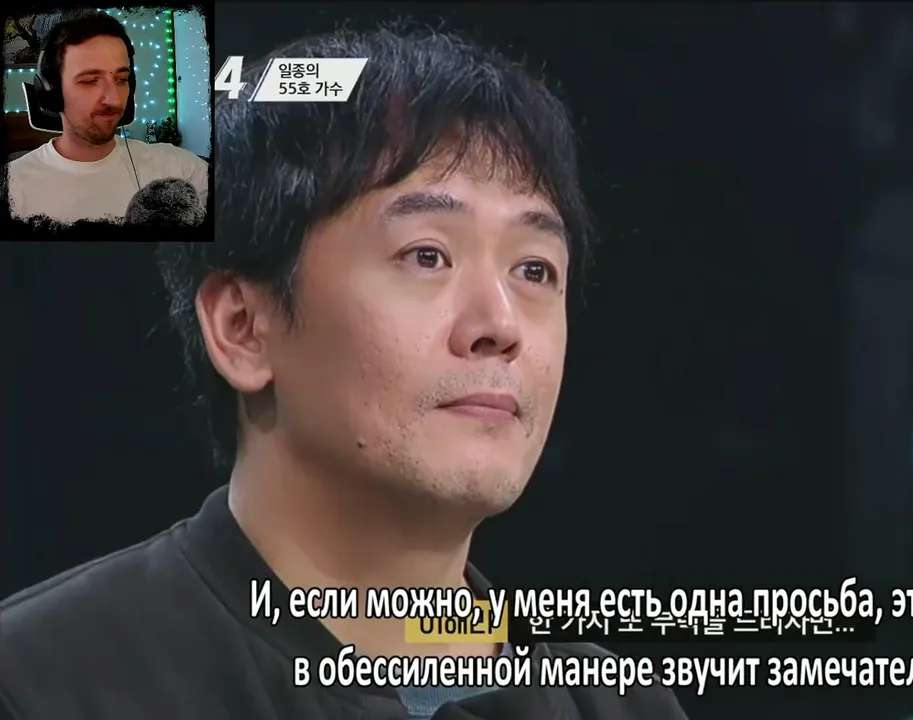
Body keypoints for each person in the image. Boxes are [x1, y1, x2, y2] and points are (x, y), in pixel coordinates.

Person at [0, 22, 686, 720]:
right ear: (243, 328)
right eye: (427, 256)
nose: (500, 325)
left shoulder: (621, 708)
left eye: (534, 270)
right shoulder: (44, 684)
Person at [6, 12, 208, 223]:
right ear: (51, 91)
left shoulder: (181, 168)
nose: (114, 99)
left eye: (122, 79)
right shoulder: (12, 189)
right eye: (90, 81)